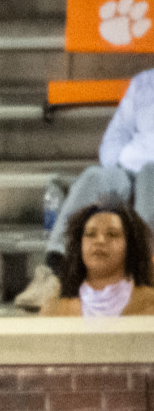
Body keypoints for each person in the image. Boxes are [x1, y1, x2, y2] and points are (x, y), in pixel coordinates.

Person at [18, 69, 154, 310]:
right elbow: (115, 136)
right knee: (94, 177)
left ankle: (140, 278)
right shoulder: (143, 83)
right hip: (127, 168)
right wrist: (119, 166)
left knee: (150, 177)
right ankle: (55, 272)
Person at [39, 202, 154, 317]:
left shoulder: (150, 302)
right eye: (90, 234)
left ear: (130, 246)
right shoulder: (56, 306)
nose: (100, 241)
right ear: (79, 245)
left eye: (112, 234)